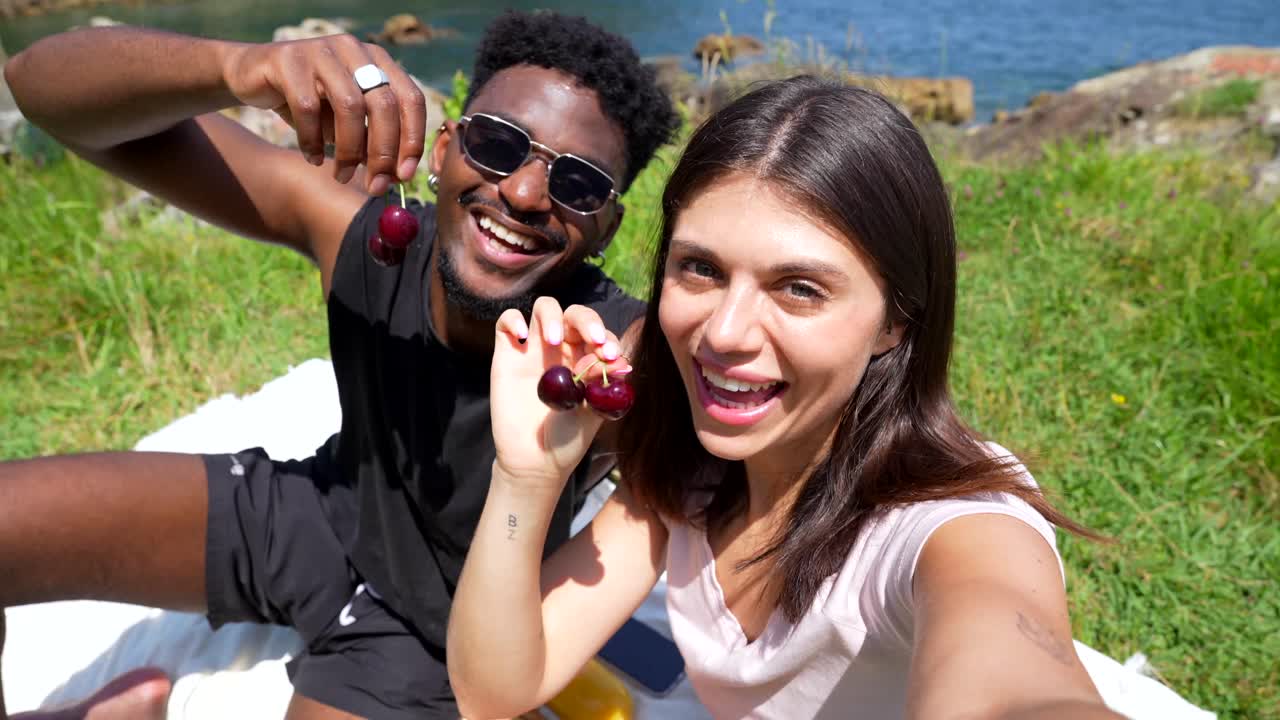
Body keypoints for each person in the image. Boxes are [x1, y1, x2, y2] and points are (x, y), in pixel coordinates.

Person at [0, 9, 676, 719]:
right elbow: (39, 88)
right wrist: (241, 70)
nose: (525, 193)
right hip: (313, 517)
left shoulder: (609, 357)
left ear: (607, 224)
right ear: (445, 147)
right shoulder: (361, 231)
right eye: (497, 144)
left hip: (437, 630)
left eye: (578, 185)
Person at [448, 76, 1125, 720]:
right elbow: (494, 689)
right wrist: (527, 476)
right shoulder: (693, 479)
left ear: (896, 320)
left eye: (799, 287)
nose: (724, 331)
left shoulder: (952, 528)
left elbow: (1015, 682)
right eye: (701, 268)